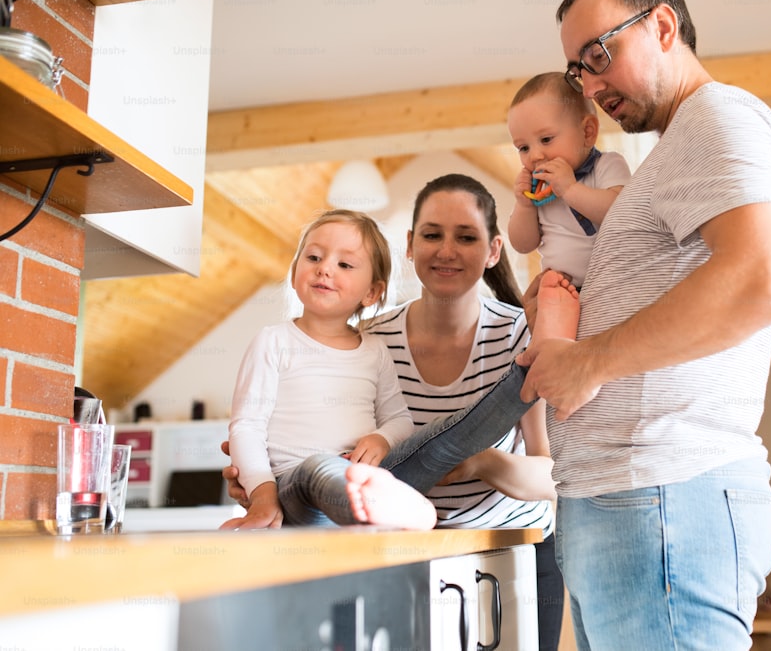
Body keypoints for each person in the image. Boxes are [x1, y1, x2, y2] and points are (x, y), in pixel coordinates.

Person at [516, 0, 771, 649]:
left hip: (664, 497)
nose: (590, 85)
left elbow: (767, 278)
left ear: (664, 26)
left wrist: (588, 360)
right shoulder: (673, 151)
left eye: (598, 54)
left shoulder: (718, 117)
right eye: (577, 71)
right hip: (627, 500)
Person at [224, 175, 572, 650]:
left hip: (507, 555)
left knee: (456, 436)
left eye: (465, 236)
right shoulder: (370, 336)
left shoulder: (517, 334)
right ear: (410, 245)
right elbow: (272, 427)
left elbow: (559, 476)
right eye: (431, 234)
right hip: (401, 555)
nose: (446, 250)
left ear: (492, 250)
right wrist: (260, 484)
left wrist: (479, 463)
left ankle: (532, 368)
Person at [221, 209, 435, 531]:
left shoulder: (375, 351)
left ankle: (387, 507)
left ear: (371, 293)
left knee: (431, 442)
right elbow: (246, 427)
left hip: (356, 483)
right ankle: (385, 508)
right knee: (318, 467)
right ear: (295, 273)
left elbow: (400, 419)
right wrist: (263, 494)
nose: (324, 269)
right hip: (292, 489)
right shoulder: (273, 341)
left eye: (344, 264)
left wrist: (381, 439)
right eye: (314, 258)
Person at [507, 72, 631, 287]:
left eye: (546, 139)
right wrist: (524, 206)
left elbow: (622, 214)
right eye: (523, 148)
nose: (535, 155)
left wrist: (570, 189)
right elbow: (523, 245)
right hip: (562, 290)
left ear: (587, 132)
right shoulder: (538, 189)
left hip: (615, 284)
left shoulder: (607, 165)